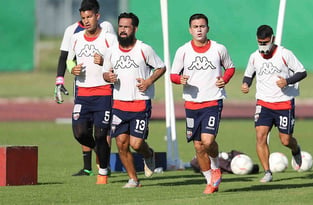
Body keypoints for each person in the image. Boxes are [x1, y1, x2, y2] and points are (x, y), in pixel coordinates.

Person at [170, 13, 235, 194]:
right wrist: (179, 79)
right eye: (195, 27)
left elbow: (230, 67)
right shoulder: (183, 50)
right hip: (191, 103)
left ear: (208, 28)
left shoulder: (218, 48)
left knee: (208, 141)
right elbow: (173, 75)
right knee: (198, 146)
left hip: (213, 100)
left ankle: (215, 168)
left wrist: (225, 79)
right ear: (190, 30)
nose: (199, 29)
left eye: (202, 26)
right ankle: (210, 181)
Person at [103, 12, 165, 188]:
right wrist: (108, 76)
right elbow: (105, 72)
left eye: (126, 27)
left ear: (134, 29)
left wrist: (149, 81)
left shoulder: (144, 49)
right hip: (119, 104)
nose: (122, 30)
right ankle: (133, 179)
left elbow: (161, 67)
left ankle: (149, 154)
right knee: (122, 144)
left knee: (136, 144)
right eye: (120, 26)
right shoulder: (111, 50)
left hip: (140, 102)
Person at [54, 0, 115, 177]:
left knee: (101, 132)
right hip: (82, 91)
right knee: (80, 132)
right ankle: (98, 155)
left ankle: (102, 168)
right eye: (83, 17)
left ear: (97, 15)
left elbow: (116, 58)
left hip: (104, 90)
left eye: (90, 16)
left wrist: (105, 62)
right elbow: (67, 58)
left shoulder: (108, 33)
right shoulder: (73, 34)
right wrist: (71, 69)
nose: (86, 20)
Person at [241, 25, 306, 183]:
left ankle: (295, 149)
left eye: (265, 42)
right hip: (264, 103)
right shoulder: (254, 57)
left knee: (285, 140)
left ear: (273, 39)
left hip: (284, 103)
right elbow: (249, 74)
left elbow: (302, 72)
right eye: (260, 42)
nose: (263, 45)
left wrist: (287, 81)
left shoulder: (284, 54)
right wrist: (245, 84)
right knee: (260, 136)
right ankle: (267, 172)